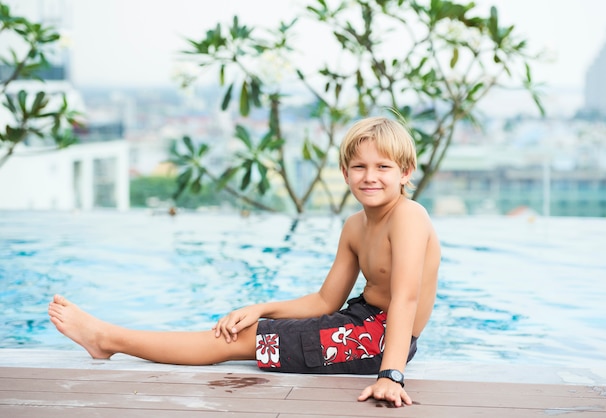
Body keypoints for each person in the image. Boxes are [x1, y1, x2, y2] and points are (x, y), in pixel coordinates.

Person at [48, 116, 441, 407]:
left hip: (380, 342)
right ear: (344, 173)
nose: (370, 177)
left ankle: (105, 339)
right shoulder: (355, 226)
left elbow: (405, 299)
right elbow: (325, 302)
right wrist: (260, 308)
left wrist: (391, 376)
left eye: (383, 167)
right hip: (359, 325)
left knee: (233, 342)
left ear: (405, 173)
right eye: (360, 167)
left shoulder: (409, 216)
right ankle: (108, 339)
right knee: (246, 328)